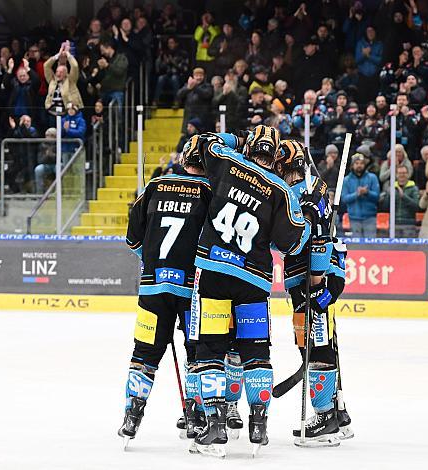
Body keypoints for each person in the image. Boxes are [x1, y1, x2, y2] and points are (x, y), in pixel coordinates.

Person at [188, 126, 315, 457]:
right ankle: (258, 424)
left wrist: (233, 139)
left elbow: (204, 143)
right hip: (254, 280)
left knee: (211, 348)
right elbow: (294, 243)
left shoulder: (227, 161)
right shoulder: (280, 190)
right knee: (256, 350)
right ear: (274, 156)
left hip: (214, 272)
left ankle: (215, 424)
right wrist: (306, 211)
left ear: (248, 146)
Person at [118, 136, 212, 446]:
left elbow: (133, 239)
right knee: (198, 353)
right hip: (192, 290)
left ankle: (132, 414)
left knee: (144, 353)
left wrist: (154, 261)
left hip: (153, 287)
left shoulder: (154, 186)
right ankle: (197, 416)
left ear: (184, 159)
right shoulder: (210, 192)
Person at [272, 139, 353, 446]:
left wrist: (317, 282)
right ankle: (338, 412)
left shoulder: (298, 196)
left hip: (310, 278)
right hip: (319, 274)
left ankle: (325, 416)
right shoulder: (313, 188)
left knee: (314, 345)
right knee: (323, 341)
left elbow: (316, 239)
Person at [341, 153, 379, 237]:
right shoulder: (346, 180)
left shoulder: (372, 177)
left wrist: (367, 192)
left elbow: (377, 197)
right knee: (356, 246)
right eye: (357, 163)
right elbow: (344, 198)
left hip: (370, 217)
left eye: (361, 163)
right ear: (352, 165)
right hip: (354, 218)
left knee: (371, 245)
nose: (359, 165)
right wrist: (356, 194)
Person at [379, 165, 420, 238]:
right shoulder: (391, 188)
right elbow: (385, 208)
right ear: (396, 175)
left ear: (408, 174)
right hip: (394, 223)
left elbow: (416, 207)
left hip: (408, 224)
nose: (402, 175)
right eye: (400, 173)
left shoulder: (413, 188)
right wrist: (388, 196)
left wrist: (403, 196)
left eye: (404, 173)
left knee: (408, 248)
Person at [44, 42, 83, 114]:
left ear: (66, 73)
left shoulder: (71, 80)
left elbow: (74, 66)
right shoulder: (52, 80)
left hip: (68, 111)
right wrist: (58, 55)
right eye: (57, 71)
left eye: (61, 72)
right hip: (52, 111)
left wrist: (68, 54)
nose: (58, 74)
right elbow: (46, 66)